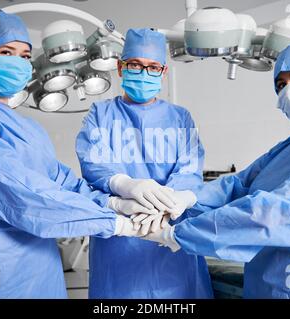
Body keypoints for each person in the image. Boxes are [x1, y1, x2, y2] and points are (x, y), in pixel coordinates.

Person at [0, 10, 149, 299]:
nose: (19, 62)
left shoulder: (28, 127)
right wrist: (115, 224)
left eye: (24, 55)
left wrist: (115, 203)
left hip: (44, 269)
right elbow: (23, 195)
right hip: (1, 275)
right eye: (6, 52)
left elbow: (62, 184)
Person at [141, 41, 290, 299]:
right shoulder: (286, 149)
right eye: (281, 84)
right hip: (261, 282)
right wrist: (184, 199)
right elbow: (236, 186)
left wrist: (177, 234)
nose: (289, 90)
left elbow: (272, 212)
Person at [76, 28, 213, 298]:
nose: (143, 72)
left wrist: (166, 204)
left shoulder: (179, 117)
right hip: (119, 240)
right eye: (135, 65)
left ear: (163, 72)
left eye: (152, 67)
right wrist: (125, 184)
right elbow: (94, 164)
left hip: (170, 232)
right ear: (120, 67)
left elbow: (189, 170)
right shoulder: (101, 114)